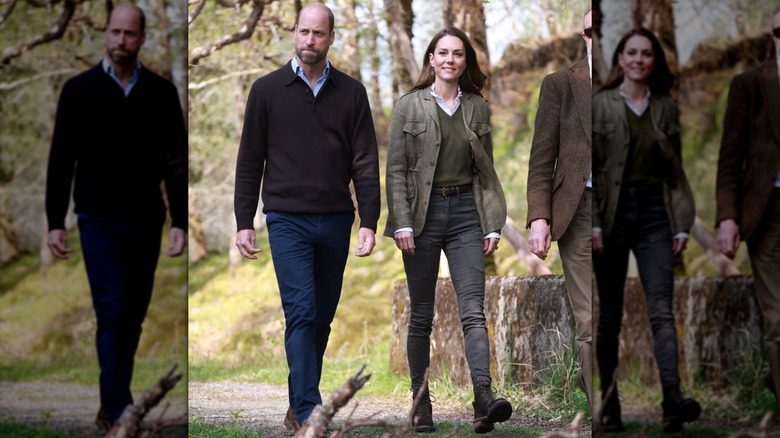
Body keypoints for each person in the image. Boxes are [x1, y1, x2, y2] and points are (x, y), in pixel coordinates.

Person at [233, 2, 380, 430]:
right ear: (294, 33)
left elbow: (365, 162)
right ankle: (311, 411)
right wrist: (245, 220)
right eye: (303, 32)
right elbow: (249, 160)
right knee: (300, 312)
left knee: (321, 317)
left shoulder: (352, 93)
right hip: (286, 219)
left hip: (336, 218)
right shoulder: (266, 90)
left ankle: (298, 404)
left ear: (331, 38)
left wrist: (369, 220)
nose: (309, 40)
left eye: (318, 33)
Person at [45, 3, 187, 430]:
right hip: (97, 217)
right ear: (106, 34)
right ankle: (120, 407)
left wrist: (179, 220)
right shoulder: (79, 90)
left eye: (129, 34)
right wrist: (55, 220)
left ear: (142, 38)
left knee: (133, 313)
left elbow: (175, 162)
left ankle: (112, 406)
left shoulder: (161, 93)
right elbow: (60, 158)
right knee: (112, 308)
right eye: (115, 33)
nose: (121, 41)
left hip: (146, 218)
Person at [384, 27, 512, 434]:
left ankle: (483, 399)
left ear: (465, 61)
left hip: (465, 217)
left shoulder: (477, 107)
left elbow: (485, 171)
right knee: (421, 316)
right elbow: (397, 171)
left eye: (458, 54)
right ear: (431, 58)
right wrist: (401, 221)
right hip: (420, 219)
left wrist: (492, 221)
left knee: (473, 311)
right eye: (443, 53)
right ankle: (421, 406)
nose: (450, 60)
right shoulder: (409, 106)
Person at [592, 27, 700, 433]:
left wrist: (681, 224)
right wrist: (596, 223)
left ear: (654, 62)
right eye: (631, 53)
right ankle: (609, 403)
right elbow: (593, 171)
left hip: (655, 214)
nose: (639, 59)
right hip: (613, 217)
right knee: (610, 318)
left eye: (647, 54)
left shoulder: (666, 108)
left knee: (661, 310)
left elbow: (677, 171)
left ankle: (672, 399)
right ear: (620, 59)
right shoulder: (599, 106)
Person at [526, 9, 593, 414]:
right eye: (591, 29)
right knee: (589, 315)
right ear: (583, 36)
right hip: (580, 209)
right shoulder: (560, 85)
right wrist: (539, 216)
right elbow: (541, 156)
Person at [716, 8, 780, 414]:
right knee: (778, 320)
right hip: (768, 214)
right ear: (773, 35)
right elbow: (730, 158)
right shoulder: (750, 85)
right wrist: (728, 217)